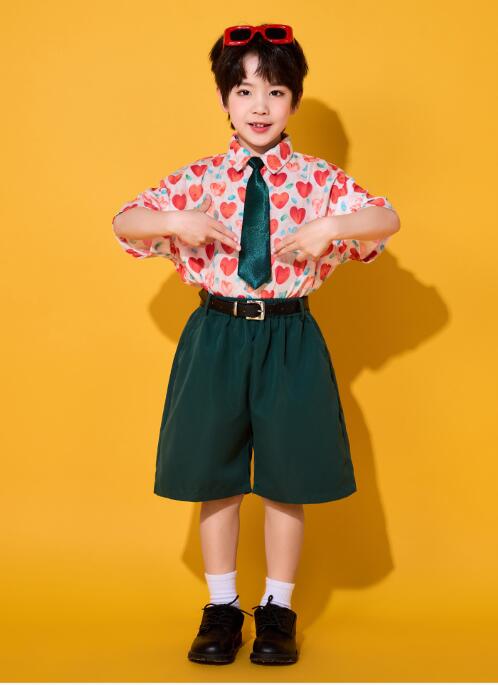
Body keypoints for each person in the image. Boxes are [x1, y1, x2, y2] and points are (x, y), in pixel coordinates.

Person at [112, 23, 400, 666]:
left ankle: (277, 608)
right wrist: (175, 220)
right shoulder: (200, 178)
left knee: (285, 476)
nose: (260, 106)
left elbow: (387, 218)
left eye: (275, 91)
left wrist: (333, 225)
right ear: (224, 100)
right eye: (244, 91)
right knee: (214, 474)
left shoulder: (319, 180)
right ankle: (221, 607)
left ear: (294, 99)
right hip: (216, 333)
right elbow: (124, 222)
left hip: (290, 334)